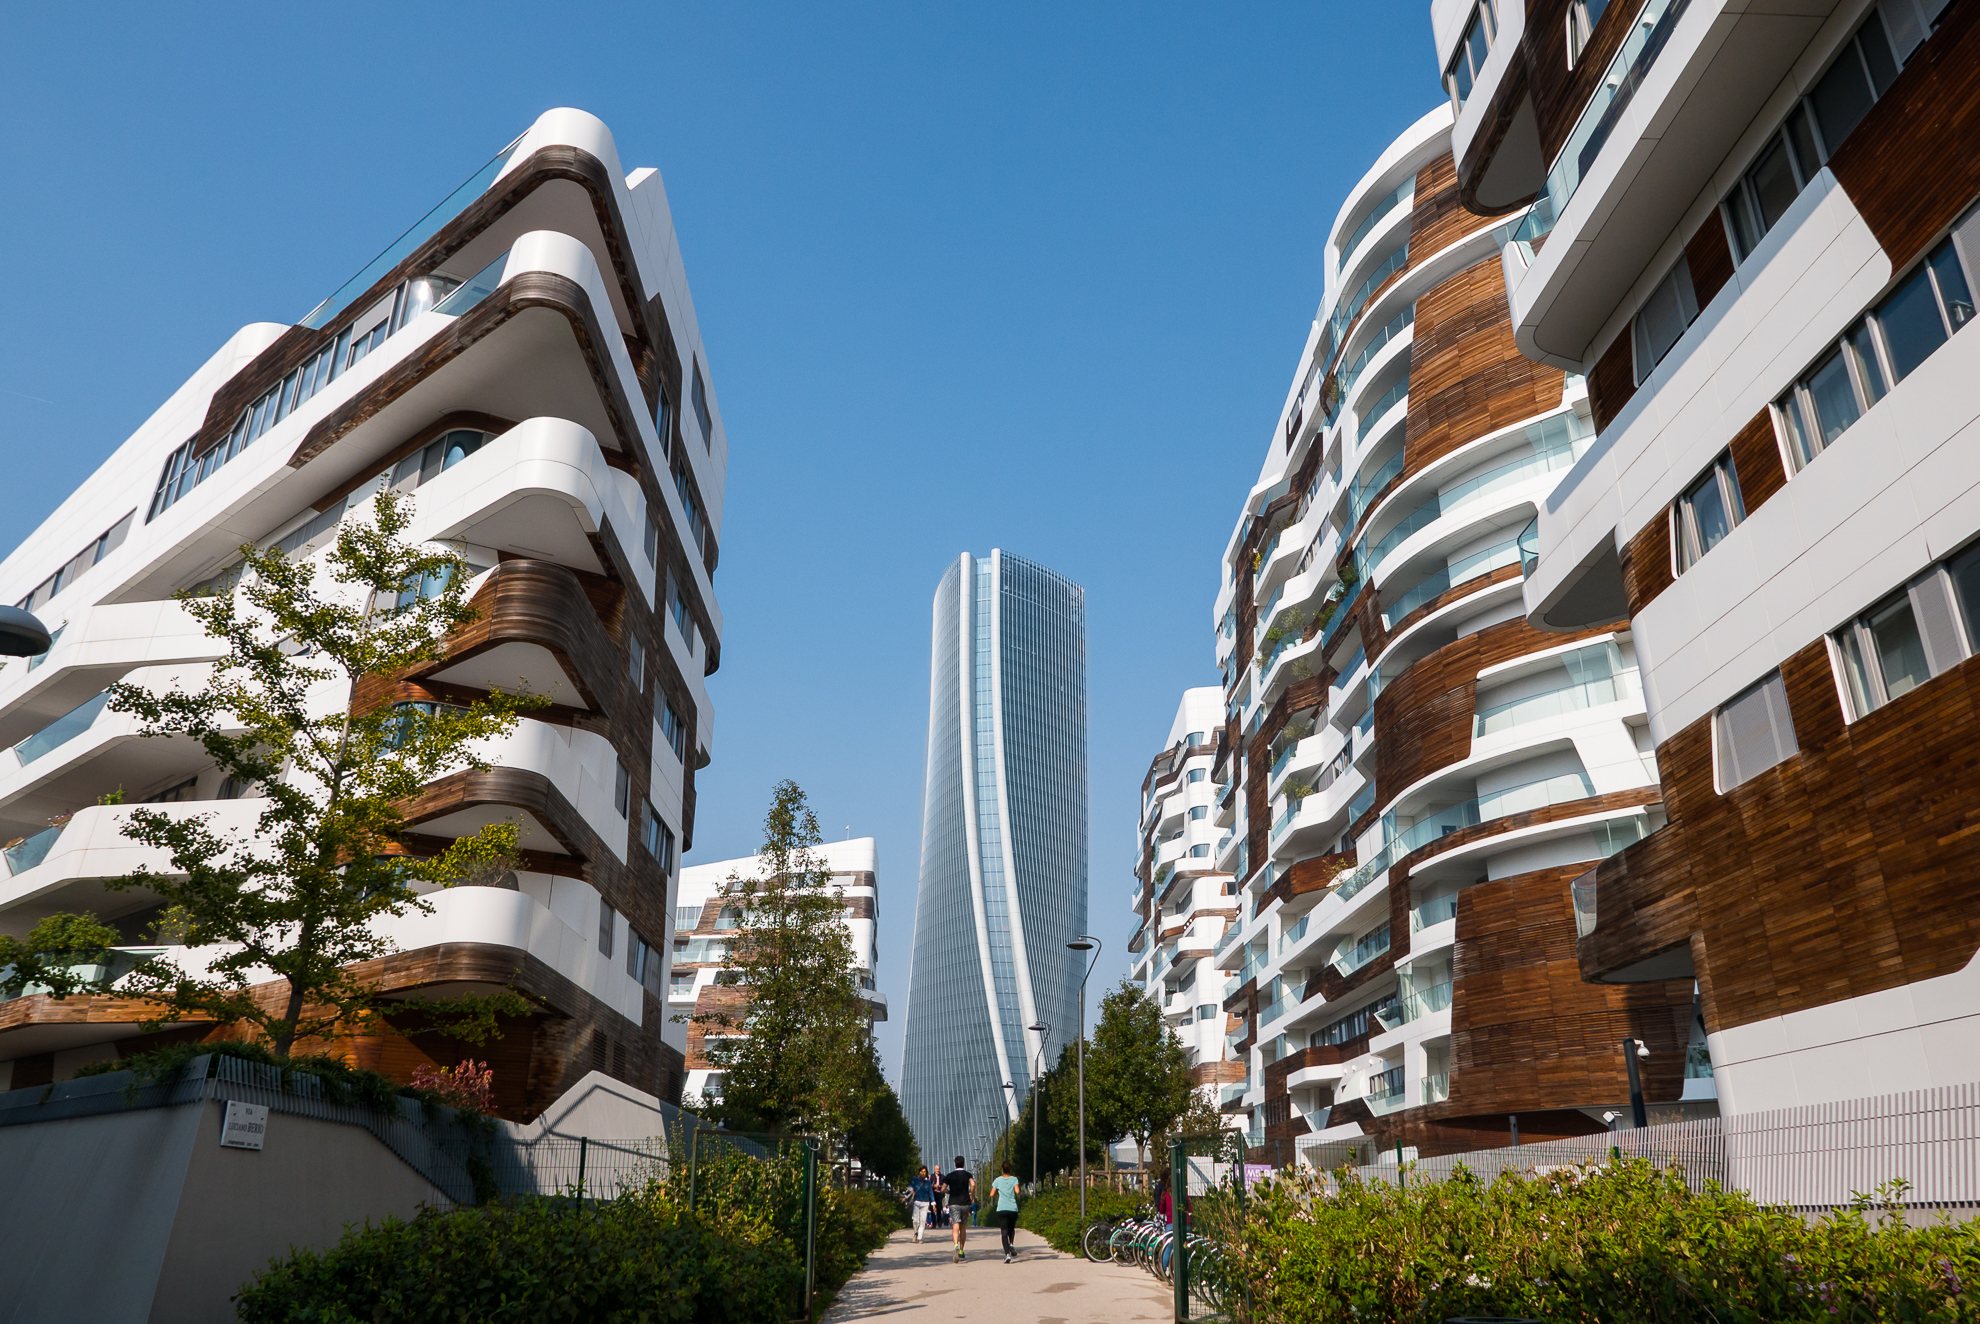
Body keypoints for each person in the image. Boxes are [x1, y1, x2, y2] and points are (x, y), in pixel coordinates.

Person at [943, 1155, 976, 1261]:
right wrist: (971, 1195)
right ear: (964, 1164)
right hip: (965, 1203)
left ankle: (955, 1246)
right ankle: (961, 1251)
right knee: (963, 1227)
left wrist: (949, 1192)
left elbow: (943, 1188)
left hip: (954, 1203)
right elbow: (973, 1184)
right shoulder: (967, 1174)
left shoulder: (950, 1175)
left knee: (955, 1226)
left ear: (955, 1164)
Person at [988, 1162, 1022, 1262]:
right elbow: (1017, 1191)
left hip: (1002, 1208)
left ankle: (1007, 1254)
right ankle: (1011, 1243)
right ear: (1010, 1169)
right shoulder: (1014, 1179)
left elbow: (991, 1194)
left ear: (1002, 1169)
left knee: (1004, 1231)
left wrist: (999, 1192)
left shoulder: (997, 1180)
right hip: (1012, 1208)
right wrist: (1019, 1194)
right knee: (1011, 1228)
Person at [909, 1166, 937, 1244]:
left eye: (925, 1171)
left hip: (925, 1202)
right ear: (919, 1172)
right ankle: (915, 1233)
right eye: (922, 1171)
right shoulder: (915, 1180)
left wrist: (933, 1204)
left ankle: (920, 1238)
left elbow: (931, 1193)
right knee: (915, 1220)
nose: (923, 1173)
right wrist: (910, 1194)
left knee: (922, 1221)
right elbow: (909, 1188)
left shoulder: (928, 1182)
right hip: (916, 1201)